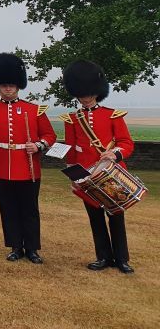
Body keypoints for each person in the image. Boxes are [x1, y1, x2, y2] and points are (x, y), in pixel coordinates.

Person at [0, 53, 56, 264]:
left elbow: (50, 135)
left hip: (27, 167)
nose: (8, 89)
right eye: (4, 85)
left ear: (18, 86)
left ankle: (32, 248)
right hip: (1, 167)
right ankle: (15, 246)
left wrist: (38, 145)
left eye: (11, 85)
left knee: (29, 210)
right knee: (8, 209)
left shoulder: (34, 110)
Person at [61, 60, 135, 274]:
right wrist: (74, 178)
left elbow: (126, 143)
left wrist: (115, 153)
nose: (85, 96)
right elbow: (72, 151)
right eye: (81, 93)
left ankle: (121, 259)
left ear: (97, 91)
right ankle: (103, 256)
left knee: (116, 216)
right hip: (87, 176)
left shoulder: (112, 115)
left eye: (89, 92)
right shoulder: (72, 119)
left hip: (111, 174)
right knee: (95, 218)